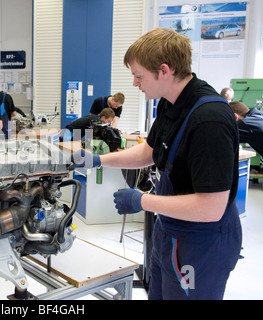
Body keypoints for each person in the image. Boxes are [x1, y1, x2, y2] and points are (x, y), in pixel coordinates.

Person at [72, 27, 241, 300]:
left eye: (139, 76)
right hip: (170, 231)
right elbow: (149, 152)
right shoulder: (168, 102)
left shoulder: (210, 120)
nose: (135, 84)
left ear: (164, 70)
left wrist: (142, 201)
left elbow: (211, 207)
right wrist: (98, 160)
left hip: (201, 243)